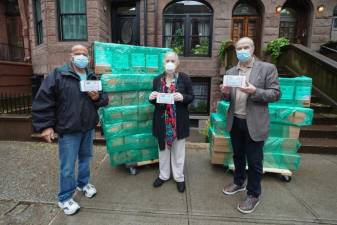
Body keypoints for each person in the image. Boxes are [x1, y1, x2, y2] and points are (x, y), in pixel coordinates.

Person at [32, 45, 108, 215]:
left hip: (87, 127)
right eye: (78, 54)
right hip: (68, 129)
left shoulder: (92, 75)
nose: (81, 56)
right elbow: (44, 100)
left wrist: (97, 98)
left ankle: (83, 184)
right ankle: (65, 198)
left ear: (89, 58)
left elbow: (104, 98)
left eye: (84, 54)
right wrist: (45, 126)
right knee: (67, 166)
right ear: (71, 56)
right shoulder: (59, 75)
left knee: (86, 158)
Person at [220, 37, 281, 214]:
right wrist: (224, 93)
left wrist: (255, 91)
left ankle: (254, 194)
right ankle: (239, 182)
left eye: (246, 47)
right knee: (238, 155)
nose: (242, 50)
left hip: (254, 122)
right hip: (235, 120)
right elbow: (228, 98)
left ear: (253, 48)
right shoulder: (231, 71)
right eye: (239, 48)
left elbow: (276, 94)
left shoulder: (267, 68)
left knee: (254, 161)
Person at [149, 51, 194, 193]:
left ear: (178, 63)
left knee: (178, 152)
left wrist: (183, 97)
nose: (170, 63)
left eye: (173, 61)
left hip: (178, 121)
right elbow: (155, 101)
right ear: (163, 62)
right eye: (167, 60)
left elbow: (191, 96)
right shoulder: (157, 80)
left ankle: (179, 178)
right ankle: (163, 175)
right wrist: (151, 98)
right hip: (162, 122)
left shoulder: (184, 78)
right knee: (163, 151)